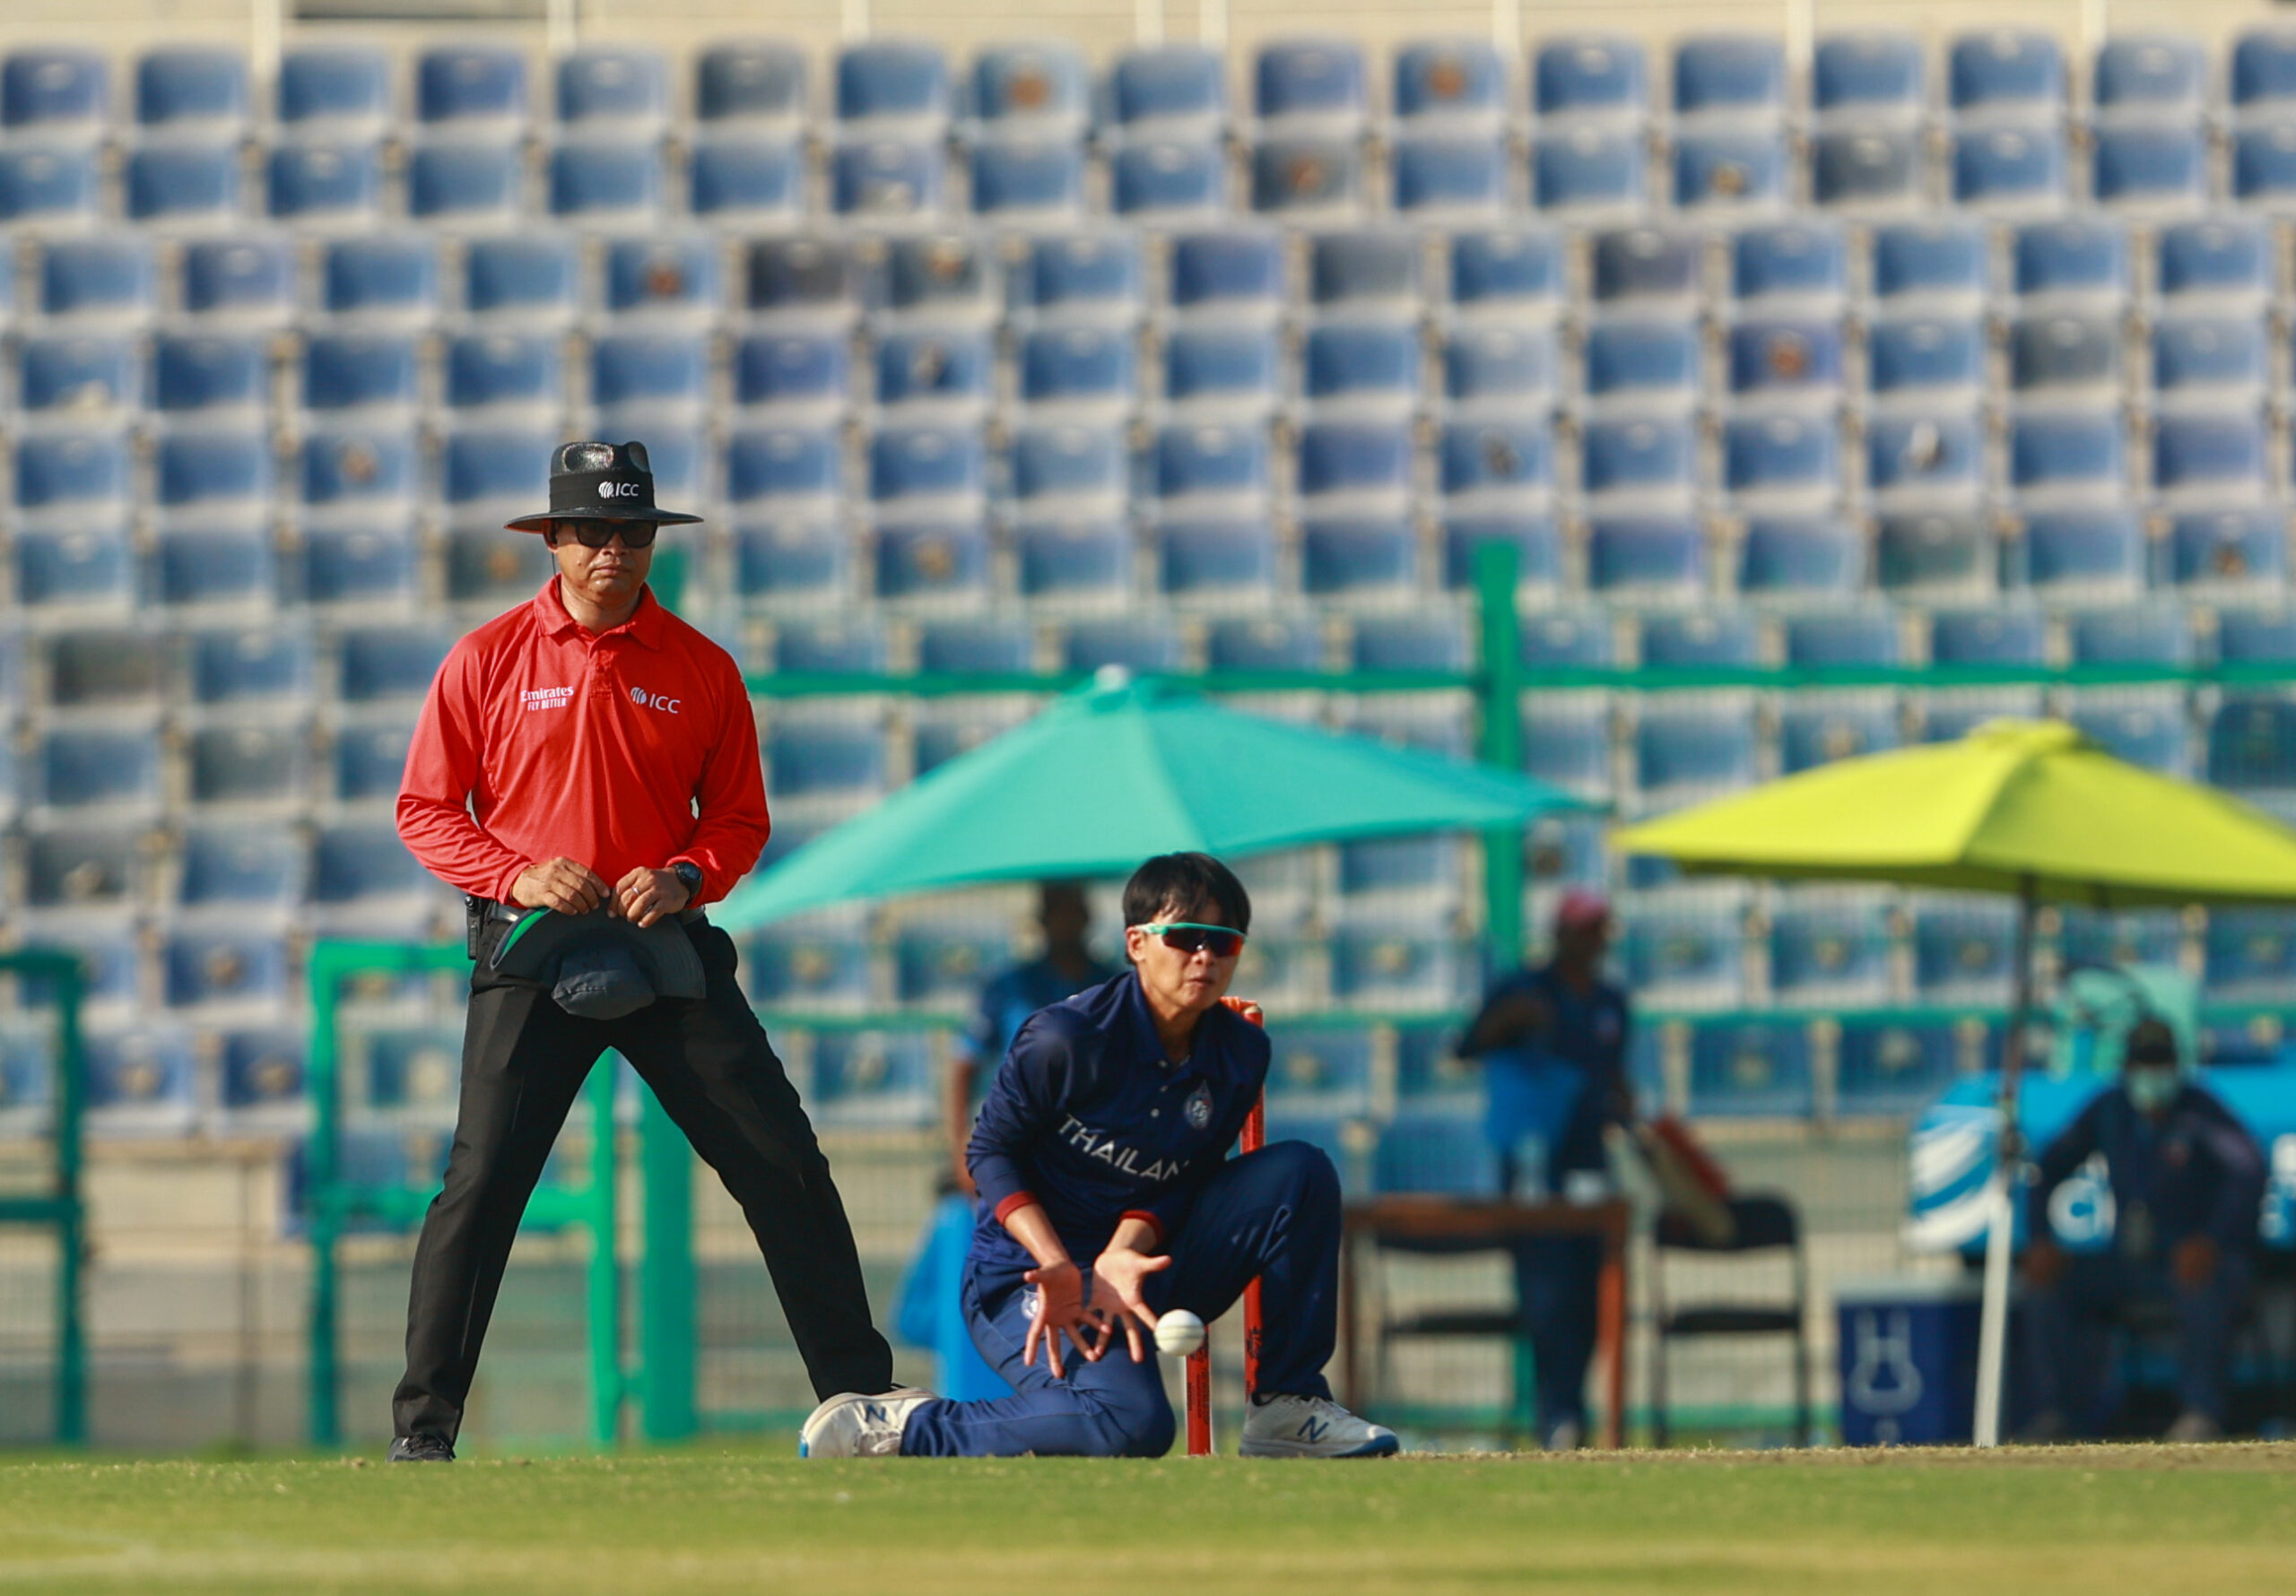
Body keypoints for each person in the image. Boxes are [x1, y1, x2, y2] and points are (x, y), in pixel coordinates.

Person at [388, 439, 909, 1461]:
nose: (610, 551)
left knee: (783, 1162)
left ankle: (860, 1402)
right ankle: (424, 1432)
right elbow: (423, 809)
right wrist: (514, 871)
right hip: (533, 949)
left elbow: (741, 821)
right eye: (590, 530)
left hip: (663, 947)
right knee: (482, 1182)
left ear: (652, 542)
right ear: (553, 540)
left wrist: (684, 876)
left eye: (631, 531)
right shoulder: (486, 659)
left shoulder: (704, 668)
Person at [801, 852, 1397, 1459]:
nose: (1205, 957)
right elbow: (990, 1150)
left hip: (1141, 1267)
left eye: (1224, 943)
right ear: (1137, 943)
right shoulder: (1067, 1037)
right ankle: (906, 1426)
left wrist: (1122, 1251)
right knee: (1134, 1426)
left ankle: (1286, 1407)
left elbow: (1186, 1180)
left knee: (1300, 1173)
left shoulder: (1241, 1053)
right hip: (1027, 1274)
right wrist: (1059, 1263)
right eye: (1186, 937)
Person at [902, 882, 1120, 1401]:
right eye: (1057, 912)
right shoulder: (1008, 986)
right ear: (1042, 920)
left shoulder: (1114, 985)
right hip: (1018, 1153)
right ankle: (1006, 1390)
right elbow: (963, 1064)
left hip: (1091, 1159)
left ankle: (1080, 1388)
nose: (1068, 922)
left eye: (1075, 910)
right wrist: (961, 1149)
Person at [2020, 1017, 2266, 1442]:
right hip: (2127, 1261)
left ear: (2176, 1064)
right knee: (2050, 1285)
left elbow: (2247, 1173)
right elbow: (2050, 1167)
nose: (2152, 1074)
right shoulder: (2109, 1109)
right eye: (2142, 1063)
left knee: (2207, 1283)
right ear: (2127, 1067)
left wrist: (2212, 1240)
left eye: (2160, 1062)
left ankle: (2200, 1412)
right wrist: (2041, 1237)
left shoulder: (2199, 1111)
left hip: (2190, 1261)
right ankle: (2062, 1413)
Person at [1456, 889, 1633, 1452]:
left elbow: (1614, 1079)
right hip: (1531, 1172)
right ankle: (1555, 1416)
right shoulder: (1522, 988)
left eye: (1598, 928)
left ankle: (1574, 1414)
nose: (1591, 939)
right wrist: (1508, 1022)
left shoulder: (1610, 1001)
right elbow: (1466, 1047)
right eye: (1581, 928)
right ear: (1559, 933)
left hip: (1589, 1167)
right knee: (1545, 1296)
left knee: (1590, 1292)